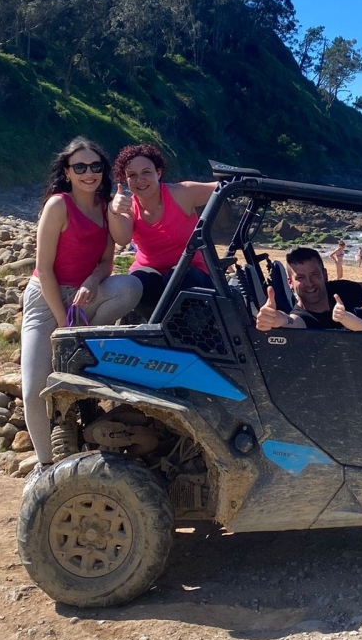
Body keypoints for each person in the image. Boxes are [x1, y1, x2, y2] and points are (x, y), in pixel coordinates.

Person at [22, 138, 142, 466]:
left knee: (130, 286)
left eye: (95, 166)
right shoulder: (58, 205)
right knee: (34, 390)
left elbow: (107, 261)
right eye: (80, 167)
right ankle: (45, 464)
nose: (89, 173)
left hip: (83, 295)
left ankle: (86, 343)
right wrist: (63, 325)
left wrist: (92, 280)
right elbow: (44, 269)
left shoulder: (105, 207)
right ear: (67, 172)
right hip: (46, 298)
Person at [108, 143, 218, 313]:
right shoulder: (128, 207)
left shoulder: (181, 194)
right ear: (125, 179)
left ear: (158, 173)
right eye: (132, 175)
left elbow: (223, 188)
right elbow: (122, 239)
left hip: (190, 273)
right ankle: (151, 332)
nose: (140, 180)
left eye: (146, 172)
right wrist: (113, 211)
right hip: (150, 273)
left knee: (177, 278)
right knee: (138, 284)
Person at [256, 247, 362, 331]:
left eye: (314, 275)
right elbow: (291, 321)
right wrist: (276, 319)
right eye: (300, 278)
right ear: (290, 283)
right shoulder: (301, 316)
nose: (309, 283)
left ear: (324, 275)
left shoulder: (342, 290)